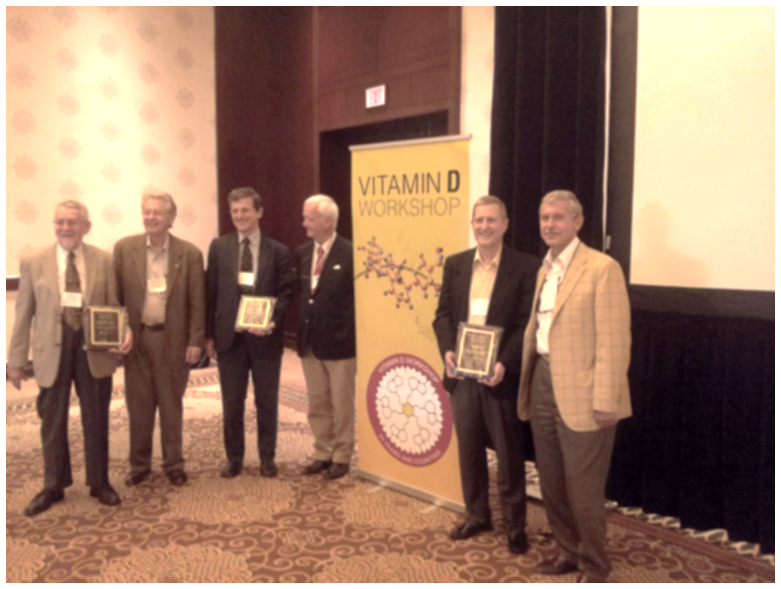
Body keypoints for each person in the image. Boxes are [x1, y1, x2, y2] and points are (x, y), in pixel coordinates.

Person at [518, 190, 631, 582]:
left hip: (585, 391)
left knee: (583, 489)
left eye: (558, 217)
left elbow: (615, 341)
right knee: (551, 480)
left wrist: (606, 399)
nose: (549, 224)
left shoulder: (602, 268)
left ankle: (595, 564)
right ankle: (568, 550)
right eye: (544, 217)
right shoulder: (544, 269)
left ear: (578, 222)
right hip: (542, 381)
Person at [8, 200, 131, 516]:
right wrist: (16, 361)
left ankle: (99, 483)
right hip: (52, 349)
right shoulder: (34, 261)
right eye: (60, 221)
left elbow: (113, 304)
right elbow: (23, 313)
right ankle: (54, 485)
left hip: (93, 348)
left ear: (86, 226)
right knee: (52, 420)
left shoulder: (104, 260)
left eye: (72, 222)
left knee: (97, 417)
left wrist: (124, 331)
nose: (65, 228)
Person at [433, 195, 538, 554]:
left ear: (505, 224)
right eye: (479, 220)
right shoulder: (456, 264)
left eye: (491, 220)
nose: (484, 226)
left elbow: (525, 324)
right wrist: (447, 350)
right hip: (462, 376)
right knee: (469, 450)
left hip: (499, 376)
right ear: (472, 224)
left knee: (508, 454)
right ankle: (477, 514)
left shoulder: (526, 266)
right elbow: (442, 316)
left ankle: (515, 525)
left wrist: (504, 363)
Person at [113, 192, 206, 487]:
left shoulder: (189, 254)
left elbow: (198, 303)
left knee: (170, 405)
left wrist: (195, 341)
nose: (151, 217)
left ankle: (174, 464)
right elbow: (115, 298)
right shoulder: (124, 249)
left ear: (171, 218)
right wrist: (119, 332)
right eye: (147, 211)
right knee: (138, 407)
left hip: (173, 341)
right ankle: (139, 465)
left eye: (158, 212)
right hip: (137, 340)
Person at [206, 187, 294, 479]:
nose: (239, 216)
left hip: (264, 338)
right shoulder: (219, 247)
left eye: (245, 210)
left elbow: (285, 293)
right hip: (229, 338)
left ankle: (267, 457)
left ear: (259, 211)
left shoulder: (278, 251)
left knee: (266, 402)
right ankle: (234, 458)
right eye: (235, 211)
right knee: (232, 403)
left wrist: (272, 321)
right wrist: (209, 336)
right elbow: (210, 292)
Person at [296, 195, 356, 481]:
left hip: (340, 343)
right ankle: (323, 452)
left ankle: (342, 456)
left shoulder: (351, 253)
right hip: (310, 342)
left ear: (327, 221)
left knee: (342, 404)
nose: (304, 223)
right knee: (317, 403)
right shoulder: (302, 253)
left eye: (309, 218)